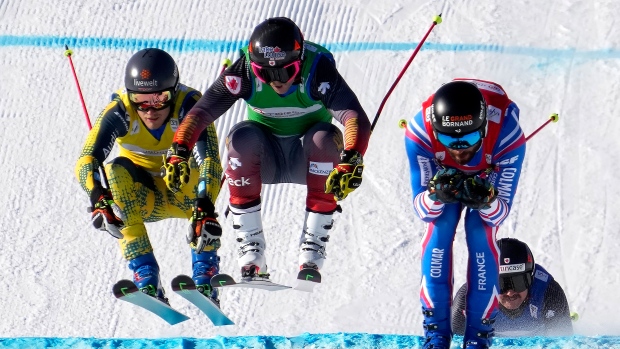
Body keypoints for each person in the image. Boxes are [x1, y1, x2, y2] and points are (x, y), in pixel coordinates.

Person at [162, 17, 370, 280]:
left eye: (285, 71)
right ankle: (251, 250)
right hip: (264, 160)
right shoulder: (245, 71)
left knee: (324, 139)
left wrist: (351, 158)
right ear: (254, 66)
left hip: (308, 161)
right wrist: (179, 149)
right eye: (265, 73)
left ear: (301, 59)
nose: (276, 80)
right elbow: (201, 112)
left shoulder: (317, 68)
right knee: (241, 138)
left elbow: (354, 117)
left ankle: (313, 246)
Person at [75, 48, 224, 305]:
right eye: (140, 100)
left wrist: (206, 204)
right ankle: (146, 275)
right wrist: (98, 197)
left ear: (174, 92)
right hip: (144, 200)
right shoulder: (121, 110)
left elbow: (211, 160)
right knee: (113, 171)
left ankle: (205, 273)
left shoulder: (190, 107)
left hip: (186, 195)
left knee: (184, 164)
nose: (150, 109)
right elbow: (87, 159)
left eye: (159, 99)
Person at [404, 79, 527, 349]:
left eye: (469, 138)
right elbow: (422, 210)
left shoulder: (508, 134)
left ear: (483, 128)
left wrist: (488, 201)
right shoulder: (419, 132)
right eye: (448, 139)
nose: (459, 148)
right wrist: (434, 195)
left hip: (488, 168)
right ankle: (436, 334)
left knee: (479, 230)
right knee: (440, 224)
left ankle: (478, 336)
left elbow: (498, 214)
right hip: (447, 171)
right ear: (436, 132)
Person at [452, 238, 574, 337]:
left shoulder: (549, 293)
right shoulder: (469, 299)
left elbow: (565, 343)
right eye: (501, 284)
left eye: (518, 282)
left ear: (530, 279)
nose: (510, 293)